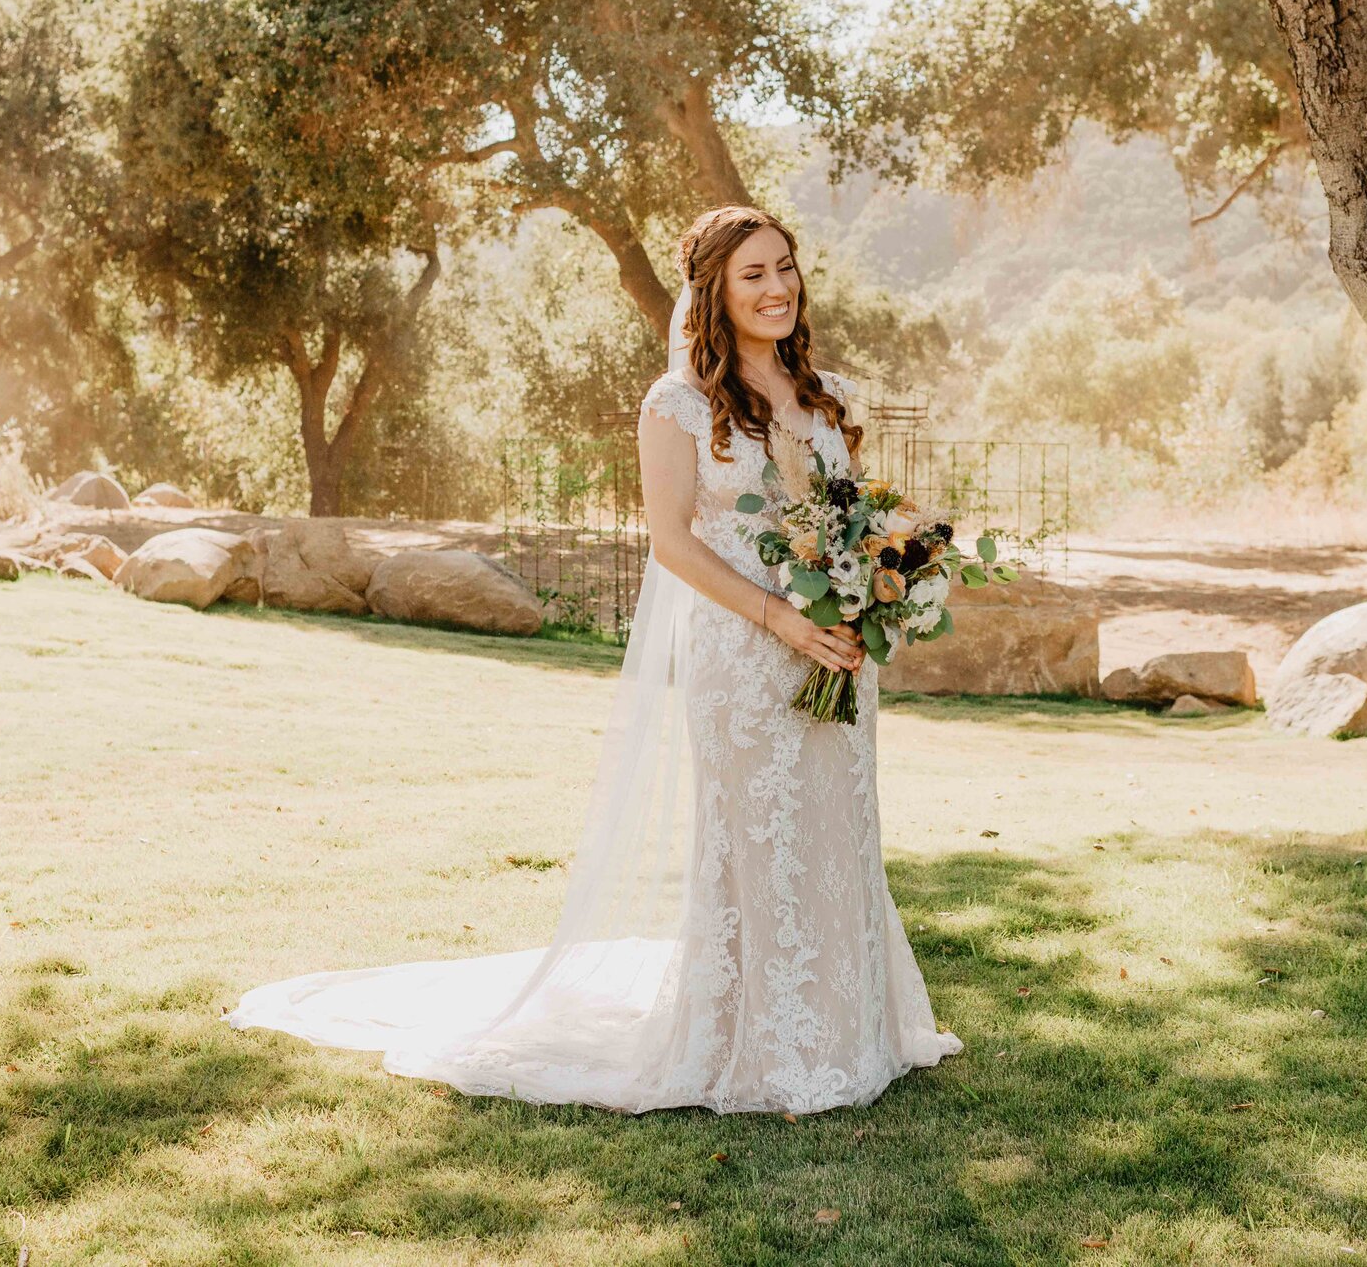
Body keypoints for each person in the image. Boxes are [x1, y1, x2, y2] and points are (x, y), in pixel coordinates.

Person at [227, 203, 960, 1114]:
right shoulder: (678, 405)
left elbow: (845, 521)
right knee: (759, 842)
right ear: (715, 294)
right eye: (753, 277)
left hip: (838, 648)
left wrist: (872, 584)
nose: (776, 289)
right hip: (744, 649)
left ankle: (853, 1033)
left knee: (836, 832)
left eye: (785, 269)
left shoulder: (830, 395)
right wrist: (780, 619)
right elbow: (673, 543)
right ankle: (759, 1049)